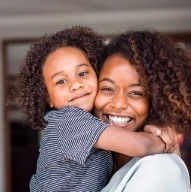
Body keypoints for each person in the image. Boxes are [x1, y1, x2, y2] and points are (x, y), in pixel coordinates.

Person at [13, 26, 171, 192]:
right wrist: (165, 139)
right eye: (61, 81)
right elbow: (141, 146)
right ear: (48, 98)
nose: (75, 84)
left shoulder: (93, 126)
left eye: (82, 73)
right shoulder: (68, 121)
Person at [94, 29, 191, 192]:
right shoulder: (99, 164)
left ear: (158, 102)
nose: (118, 104)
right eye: (107, 88)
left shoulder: (161, 167)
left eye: (136, 93)